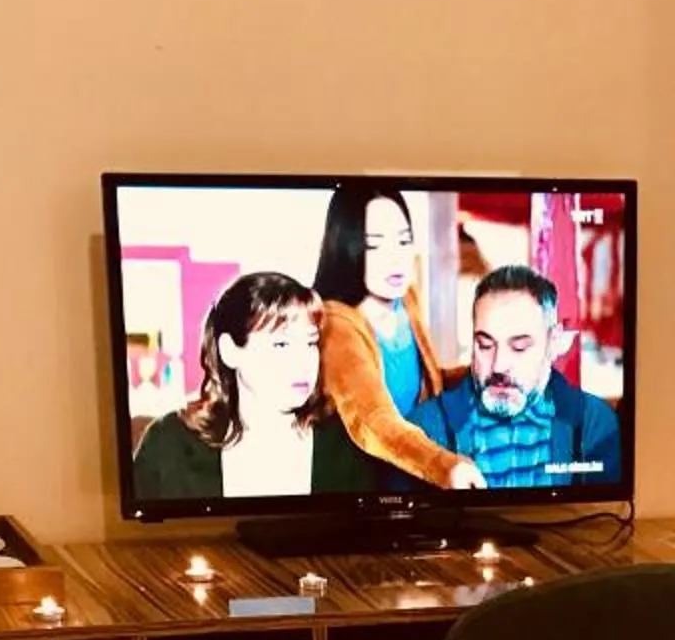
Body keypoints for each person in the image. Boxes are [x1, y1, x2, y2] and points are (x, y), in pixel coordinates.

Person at [310, 184, 485, 494]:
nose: (396, 257)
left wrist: (486, 374)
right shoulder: (337, 323)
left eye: (404, 240)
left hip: (416, 471)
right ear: (347, 247)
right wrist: (444, 466)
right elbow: (374, 422)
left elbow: (433, 383)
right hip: (365, 479)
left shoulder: (406, 300)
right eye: (375, 245)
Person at [403, 265, 625, 492]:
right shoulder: (423, 432)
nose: (499, 365)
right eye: (485, 345)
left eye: (519, 347)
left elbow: (600, 520)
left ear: (553, 342)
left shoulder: (594, 423)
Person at [131, 272, 327, 500]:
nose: (304, 362)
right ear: (230, 351)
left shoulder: (346, 443)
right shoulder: (170, 442)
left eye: (311, 343)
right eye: (282, 344)